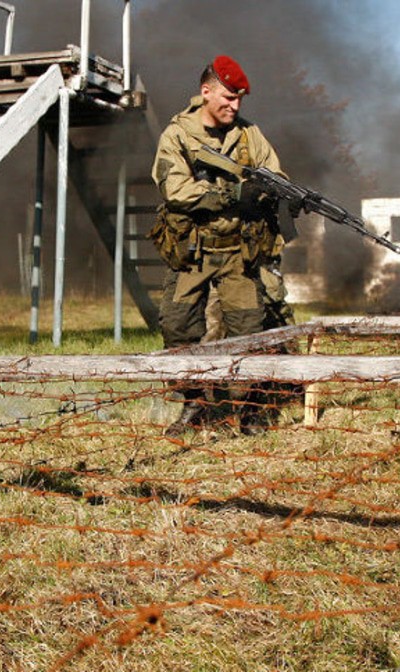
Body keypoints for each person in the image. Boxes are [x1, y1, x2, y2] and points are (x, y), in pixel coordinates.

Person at [150, 55, 286, 435]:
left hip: (238, 252)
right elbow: (175, 190)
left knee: (250, 332)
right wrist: (232, 194)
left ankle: (249, 409)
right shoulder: (178, 135)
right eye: (228, 97)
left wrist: (271, 192)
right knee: (178, 329)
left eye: (239, 98)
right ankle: (195, 405)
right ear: (206, 91)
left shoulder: (249, 134)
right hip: (192, 252)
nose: (235, 105)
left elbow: (275, 172)